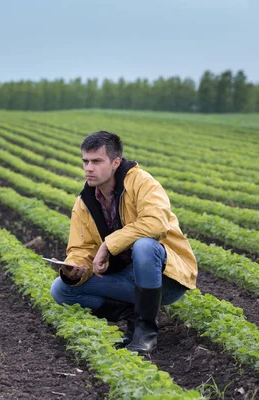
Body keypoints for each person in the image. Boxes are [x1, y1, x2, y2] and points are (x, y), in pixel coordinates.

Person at [50, 130, 197, 353]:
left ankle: (146, 332)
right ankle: (132, 316)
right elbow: (81, 247)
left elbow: (156, 223)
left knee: (144, 246)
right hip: (127, 281)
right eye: (86, 161)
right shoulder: (84, 202)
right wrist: (74, 269)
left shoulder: (142, 182)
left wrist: (109, 244)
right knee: (61, 289)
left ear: (115, 162)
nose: (89, 168)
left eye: (97, 161)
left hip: (165, 281)